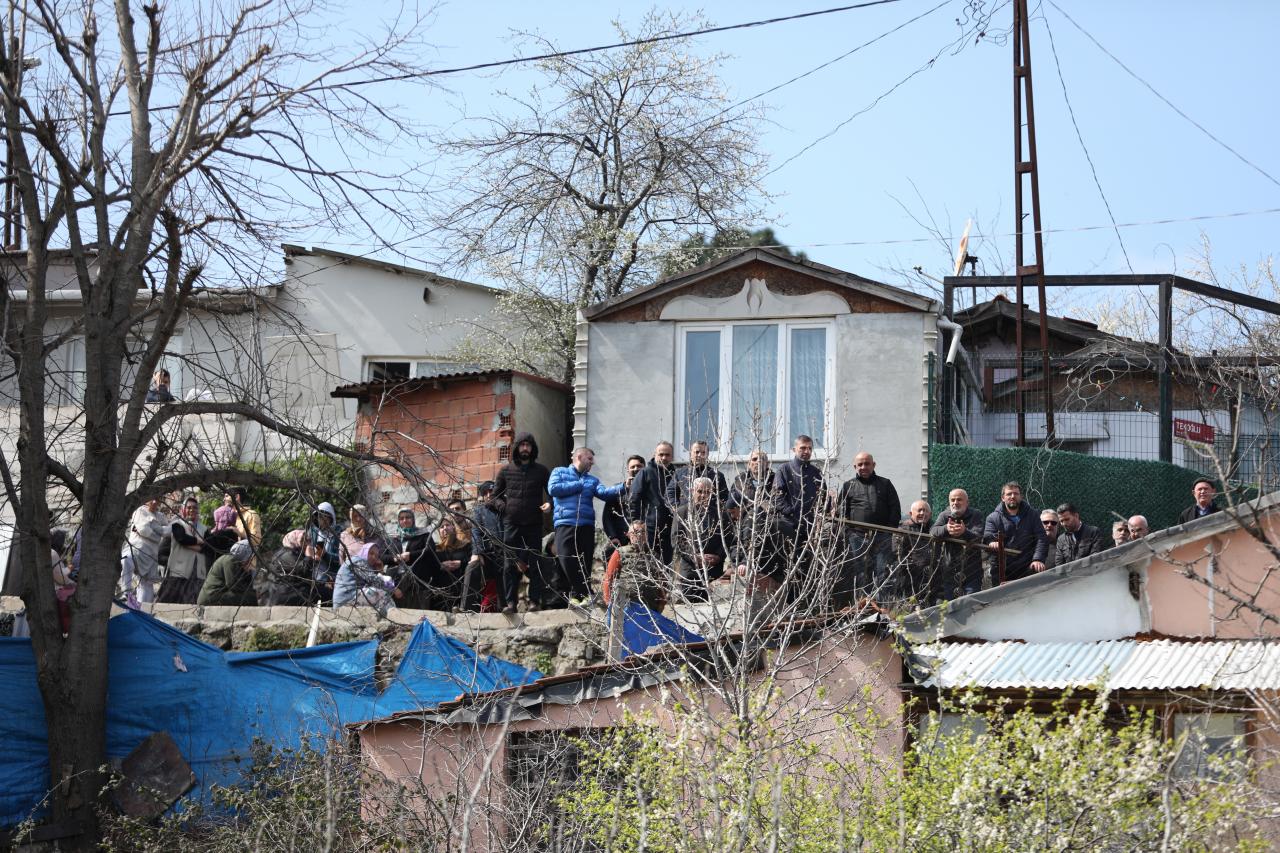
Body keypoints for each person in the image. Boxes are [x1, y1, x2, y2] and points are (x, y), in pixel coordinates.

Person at [550, 446, 625, 605]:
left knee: (585, 562)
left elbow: (605, 493)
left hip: (586, 525)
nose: (593, 462)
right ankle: (585, 591)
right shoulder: (559, 472)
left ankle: (578, 596)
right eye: (590, 458)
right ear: (579, 457)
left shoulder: (592, 480)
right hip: (565, 523)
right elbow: (553, 489)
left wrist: (624, 486)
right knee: (566, 558)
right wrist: (578, 485)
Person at [492, 431, 556, 609]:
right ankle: (510, 603)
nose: (525, 448)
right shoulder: (506, 471)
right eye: (522, 445)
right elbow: (494, 497)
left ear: (532, 448)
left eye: (528, 445)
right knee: (509, 565)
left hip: (534, 524)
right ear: (517, 448)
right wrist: (505, 508)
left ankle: (534, 601)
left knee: (535, 562)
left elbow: (552, 494)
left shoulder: (542, 471)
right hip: (511, 524)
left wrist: (550, 504)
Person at [838, 451, 902, 597]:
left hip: (882, 537)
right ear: (855, 467)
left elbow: (895, 508)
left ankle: (881, 603)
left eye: (867, 464)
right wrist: (849, 532)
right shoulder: (848, 486)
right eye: (860, 464)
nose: (863, 467)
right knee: (860, 571)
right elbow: (841, 512)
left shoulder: (885, 484)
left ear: (873, 465)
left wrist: (889, 530)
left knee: (882, 570)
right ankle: (862, 603)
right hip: (857, 537)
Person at [672, 477, 730, 601]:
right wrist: (695, 557)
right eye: (700, 491)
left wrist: (718, 556)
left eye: (707, 492)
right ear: (692, 491)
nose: (703, 495)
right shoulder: (682, 512)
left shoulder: (721, 514)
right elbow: (677, 540)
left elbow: (728, 538)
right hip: (690, 571)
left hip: (714, 571)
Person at [983, 482, 1048, 583]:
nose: (1013, 496)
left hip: (1028, 567)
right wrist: (991, 542)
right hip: (1001, 570)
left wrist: (1038, 559)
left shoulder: (1033, 515)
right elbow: (988, 536)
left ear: (1021, 497)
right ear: (1003, 498)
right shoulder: (992, 518)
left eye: (1016, 493)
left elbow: (1041, 537)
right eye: (1009, 494)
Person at [929, 488, 985, 599]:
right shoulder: (944, 515)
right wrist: (946, 528)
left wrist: (964, 532)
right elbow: (933, 531)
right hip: (949, 570)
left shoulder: (976, 514)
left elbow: (978, 536)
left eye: (959, 499)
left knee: (971, 603)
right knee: (951, 605)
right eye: (952, 500)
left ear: (967, 502)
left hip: (972, 571)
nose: (955, 502)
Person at [603, 520, 667, 613]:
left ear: (647, 534)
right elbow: (609, 578)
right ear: (628, 535)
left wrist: (661, 604)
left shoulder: (654, 556)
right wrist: (609, 602)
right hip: (626, 608)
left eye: (643, 532)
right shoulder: (620, 553)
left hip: (650, 608)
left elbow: (662, 583)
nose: (639, 535)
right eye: (636, 532)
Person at [629, 441, 677, 564]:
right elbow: (634, 499)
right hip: (649, 529)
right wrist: (635, 523)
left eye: (667, 455)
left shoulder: (676, 474)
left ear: (672, 456)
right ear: (654, 454)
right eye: (661, 454)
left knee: (666, 565)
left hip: (670, 528)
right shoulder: (645, 473)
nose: (664, 458)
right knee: (649, 564)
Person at [463, 482, 507, 613]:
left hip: (506, 554)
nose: (489, 495)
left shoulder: (507, 509)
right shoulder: (479, 511)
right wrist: (477, 552)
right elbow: (476, 532)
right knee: (472, 567)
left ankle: (505, 608)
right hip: (488, 554)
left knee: (505, 569)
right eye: (485, 493)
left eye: (491, 491)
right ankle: (466, 608)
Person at [157, 495, 208, 604]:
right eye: (189, 507)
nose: (192, 510)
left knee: (193, 602)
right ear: (183, 509)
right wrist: (200, 542)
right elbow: (182, 539)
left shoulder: (204, 529)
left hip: (197, 571)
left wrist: (194, 545)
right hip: (178, 569)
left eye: (194, 508)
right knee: (169, 600)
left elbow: (208, 546)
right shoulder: (177, 524)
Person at [386, 507, 438, 610]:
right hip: (396, 581)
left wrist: (411, 555)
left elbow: (431, 550)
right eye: (401, 518)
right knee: (396, 612)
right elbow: (383, 556)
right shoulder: (393, 538)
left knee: (417, 612)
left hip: (418, 579)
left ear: (413, 519)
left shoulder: (423, 534)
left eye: (408, 517)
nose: (405, 520)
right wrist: (394, 558)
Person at [122, 498, 169, 604]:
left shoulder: (161, 516)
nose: (154, 502)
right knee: (126, 560)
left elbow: (167, 531)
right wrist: (157, 535)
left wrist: (156, 531)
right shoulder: (140, 511)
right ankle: (126, 592)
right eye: (152, 498)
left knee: (146, 586)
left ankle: (143, 609)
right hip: (135, 549)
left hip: (150, 555)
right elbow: (144, 530)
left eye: (158, 499)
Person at [601, 455, 646, 567]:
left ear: (644, 468)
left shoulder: (649, 489)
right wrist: (612, 536)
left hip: (642, 537)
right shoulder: (618, 489)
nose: (636, 469)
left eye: (639, 466)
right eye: (633, 466)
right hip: (620, 536)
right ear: (627, 470)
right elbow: (607, 516)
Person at [332, 543, 399, 612]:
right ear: (365, 551)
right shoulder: (358, 561)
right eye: (371, 553)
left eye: (376, 556)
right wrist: (392, 588)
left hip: (347, 598)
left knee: (377, 594)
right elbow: (373, 580)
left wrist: (379, 571)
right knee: (381, 594)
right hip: (346, 598)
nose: (374, 557)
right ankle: (393, 616)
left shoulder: (358, 561)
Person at [894, 500, 938, 603]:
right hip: (910, 576)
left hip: (932, 577)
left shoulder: (935, 528)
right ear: (911, 513)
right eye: (919, 510)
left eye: (925, 511)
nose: (922, 513)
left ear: (930, 514)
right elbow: (897, 552)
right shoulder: (903, 528)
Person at [666, 440, 730, 510]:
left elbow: (724, 497)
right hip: (686, 514)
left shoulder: (717, 475)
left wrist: (714, 509)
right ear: (690, 454)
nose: (700, 455)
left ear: (707, 455)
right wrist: (678, 509)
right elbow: (670, 493)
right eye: (697, 452)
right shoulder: (679, 473)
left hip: (709, 514)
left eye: (703, 453)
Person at [198, 540, 257, 607]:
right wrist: (252, 593)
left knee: (251, 597)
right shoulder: (230, 560)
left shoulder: (234, 561)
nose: (250, 560)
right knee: (251, 598)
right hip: (211, 597)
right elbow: (233, 585)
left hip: (216, 595)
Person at [431, 516, 472, 610]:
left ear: (453, 527)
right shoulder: (435, 549)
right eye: (441, 527)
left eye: (447, 525)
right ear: (439, 531)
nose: (445, 528)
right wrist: (440, 566)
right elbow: (429, 567)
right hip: (440, 593)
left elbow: (473, 561)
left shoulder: (465, 545)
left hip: (462, 589)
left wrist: (461, 563)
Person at [306, 502, 344, 601]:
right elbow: (306, 549)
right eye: (320, 517)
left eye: (325, 517)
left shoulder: (339, 534)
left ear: (331, 518)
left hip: (332, 577)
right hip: (314, 576)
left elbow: (341, 559)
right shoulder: (313, 532)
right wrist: (310, 553)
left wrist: (326, 555)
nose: (322, 520)